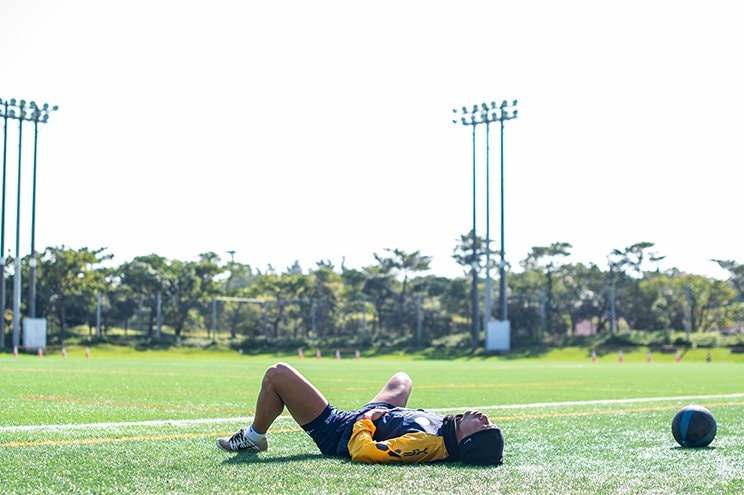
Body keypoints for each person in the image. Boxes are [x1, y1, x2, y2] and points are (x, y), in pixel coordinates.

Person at [216, 362, 504, 465]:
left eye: (484, 426)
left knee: (277, 374)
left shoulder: (425, 443)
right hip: (382, 414)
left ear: (468, 441)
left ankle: (254, 437)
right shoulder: (449, 429)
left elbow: (364, 452)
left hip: (340, 429)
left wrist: (366, 421)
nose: (484, 417)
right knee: (402, 378)